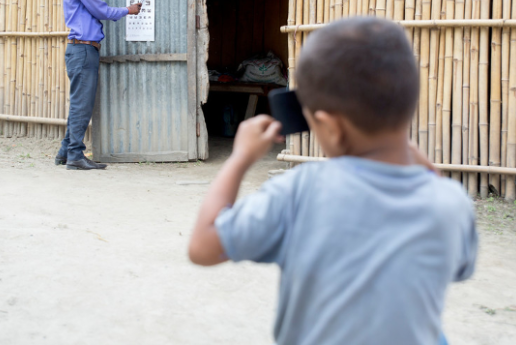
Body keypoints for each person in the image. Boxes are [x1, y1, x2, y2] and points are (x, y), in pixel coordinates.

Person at [188, 17, 478, 345]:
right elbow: (458, 269)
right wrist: (430, 174)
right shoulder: (451, 202)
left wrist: (240, 158)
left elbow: (203, 246)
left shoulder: (300, 191)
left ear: (331, 127)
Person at [55, 0, 142, 170]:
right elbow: (100, 11)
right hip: (83, 49)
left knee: (79, 103)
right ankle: (74, 155)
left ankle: (65, 152)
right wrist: (128, 10)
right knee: (82, 104)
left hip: (83, 48)